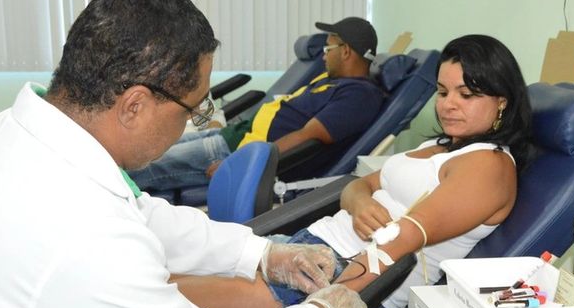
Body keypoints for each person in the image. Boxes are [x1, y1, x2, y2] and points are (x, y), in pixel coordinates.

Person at [0, 0, 370, 308]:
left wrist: (261, 252)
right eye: (194, 108)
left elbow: (142, 214)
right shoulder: (81, 241)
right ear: (135, 105)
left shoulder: (13, 135)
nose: (194, 120)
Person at [172, 34, 535, 308]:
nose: (449, 105)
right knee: (153, 275)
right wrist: (359, 203)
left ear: (501, 101)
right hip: (307, 253)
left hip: (345, 279)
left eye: (466, 95)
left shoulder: (489, 165)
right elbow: (355, 186)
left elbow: (401, 241)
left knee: (160, 305)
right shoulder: (438, 147)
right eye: (443, 93)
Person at [127, 16, 385, 190]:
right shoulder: (332, 79)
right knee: (143, 147)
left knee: (145, 164)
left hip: (235, 153)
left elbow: (308, 136)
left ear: (347, 51)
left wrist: (242, 163)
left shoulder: (359, 96)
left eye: (328, 50)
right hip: (235, 138)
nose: (323, 55)